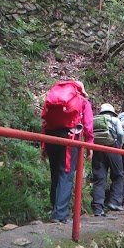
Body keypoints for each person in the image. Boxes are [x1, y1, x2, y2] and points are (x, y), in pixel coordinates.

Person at [41, 80, 94, 224]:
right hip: (69, 138)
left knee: (55, 174)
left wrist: (43, 145)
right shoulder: (82, 101)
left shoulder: (54, 99)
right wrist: (90, 145)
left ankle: (55, 209)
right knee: (66, 174)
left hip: (50, 136)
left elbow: (45, 121)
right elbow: (88, 126)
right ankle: (60, 214)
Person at [91, 104, 124, 216]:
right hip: (113, 149)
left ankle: (97, 208)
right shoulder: (115, 119)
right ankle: (114, 202)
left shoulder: (95, 119)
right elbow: (120, 133)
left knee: (99, 178)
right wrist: (119, 145)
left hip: (97, 150)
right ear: (112, 112)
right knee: (118, 175)